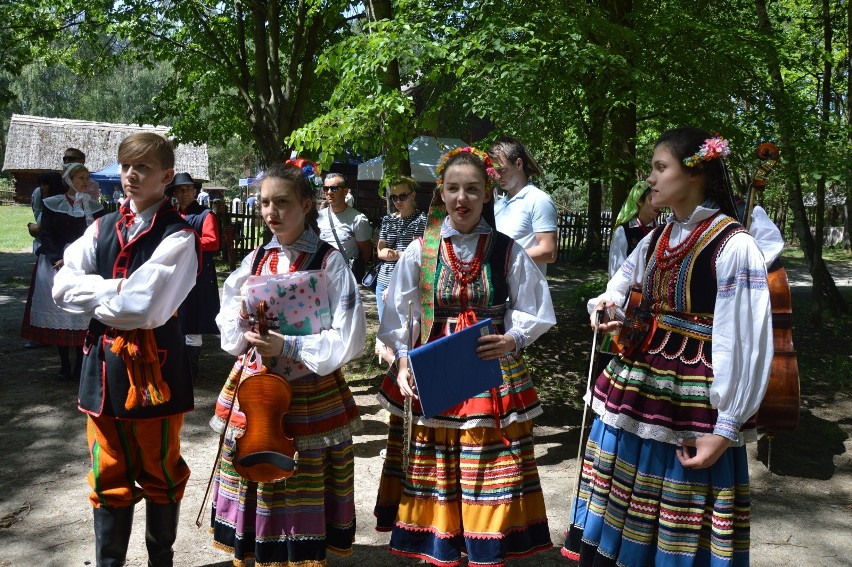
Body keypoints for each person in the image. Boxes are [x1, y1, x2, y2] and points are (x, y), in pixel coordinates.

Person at [561, 127, 773, 566]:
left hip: (690, 402)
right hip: (636, 388)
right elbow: (617, 288)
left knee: (679, 513)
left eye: (660, 168)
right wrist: (605, 305)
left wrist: (726, 426)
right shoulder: (656, 239)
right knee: (621, 496)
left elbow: (747, 341)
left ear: (695, 174)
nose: (650, 181)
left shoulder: (734, 246)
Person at [374, 147, 556, 566]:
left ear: (487, 193)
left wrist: (512, 339)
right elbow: (398, 310)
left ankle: (484, 546)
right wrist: (402, 359)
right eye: (453, 188)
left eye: (473, 189)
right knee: (434, 456)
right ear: (440, 192)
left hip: (488, 362)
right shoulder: (422, 249)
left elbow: (535, 309)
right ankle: (439, 546)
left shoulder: (506, 249)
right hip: (434, 359)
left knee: (485, 458)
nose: (462, 198)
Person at [52, 132, 198, 566]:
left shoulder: (179, 235)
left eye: (144, 168)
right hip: (100, 367)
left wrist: (95, 291)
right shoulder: (99, 226)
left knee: (160, 470)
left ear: (166, 176)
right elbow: (62, 288)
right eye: (125, 166)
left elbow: (145, 308)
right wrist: (118, 288)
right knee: (107, 470)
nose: (131, 175)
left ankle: (160, 561)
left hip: (156, 371)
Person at [210, 163, 365, 566]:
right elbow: (229, 311)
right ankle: (261, 548)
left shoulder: (329, 263)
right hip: (257, 384)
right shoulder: (257, 258)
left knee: (302, 472)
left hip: (310, 387)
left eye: (282, 202)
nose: (271, 211)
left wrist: (290, 346)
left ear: (306, 205)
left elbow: (348, 335)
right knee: (255, 460)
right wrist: (243, 327)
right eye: (264, 203)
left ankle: (300, 551)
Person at [22, 165, 104, 374]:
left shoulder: (93, 206)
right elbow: (46, 233)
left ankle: (79, 364)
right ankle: (64, 364)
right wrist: (56, 258)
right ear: (69, 181)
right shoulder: (52, 204)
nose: (85, 182)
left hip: (83, 263)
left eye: (86, 178)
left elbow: (99, 236)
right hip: (56, 263)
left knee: (81, 312)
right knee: (60, 309)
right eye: (80, 178)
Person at [169, 172, 221, 383]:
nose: (184, 194)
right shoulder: (172, 214)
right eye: (180, 190)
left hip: (198, 276)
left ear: (195, 191)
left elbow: (213, 242)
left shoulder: (205, 215)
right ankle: (179, 365)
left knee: (194, 321)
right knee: (177, 319)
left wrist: (187, 240)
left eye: (188, 189)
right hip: (175, 276)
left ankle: (192, 369)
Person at [489, 136, 558, 275]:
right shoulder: (500, 204)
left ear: (518, 164)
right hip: (501, 292)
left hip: (525, 295)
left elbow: (549, 252)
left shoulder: (539, 200)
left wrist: (503, 257)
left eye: (502, 169)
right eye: (494, 171)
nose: (497, 176)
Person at [22, 172, 67, 349]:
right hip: (49, 254)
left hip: (53, 256)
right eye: (41, 184)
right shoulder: (49, 202)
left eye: (45, 184)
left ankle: (47, 336)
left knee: (49, 298)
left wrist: (30, 227)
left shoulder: (55, 204)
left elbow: (40, 230)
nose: (42, 188)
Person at [375, 175, 427, 321]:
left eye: (403, 196)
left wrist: (394, 254)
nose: (398, 201)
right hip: (383, 280)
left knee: (404, 333)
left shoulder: (422, 221)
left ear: (413, 195)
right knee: (385, 333)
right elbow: (380, 252)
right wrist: (403, 253)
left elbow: (417, 256)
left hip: (406, 284)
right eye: (394, 197)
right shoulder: (388, 219)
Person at [316, 173, 372, 276]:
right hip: (320, 276)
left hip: (345, 277)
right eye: (326, 188)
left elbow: (366, 253)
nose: (329, 192)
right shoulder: (318, 217)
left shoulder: (358, 219)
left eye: (334, 189)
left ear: (345, 191)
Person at [608, 181, 662, 278]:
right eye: (652, 199)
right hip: (631, 291)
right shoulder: (623, 231)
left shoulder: (661, 231)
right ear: (640, 201)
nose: (658, 205)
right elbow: (616, 271)